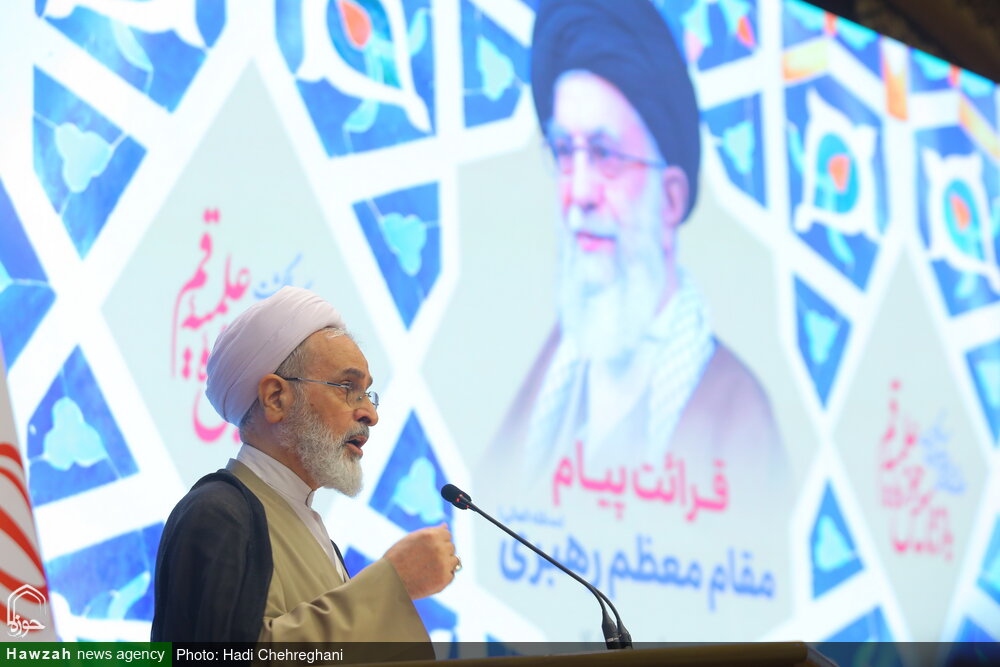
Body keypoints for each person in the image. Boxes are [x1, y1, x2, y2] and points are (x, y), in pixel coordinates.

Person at [474, 0, 791, 641]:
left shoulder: (737, 412)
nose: (579, 192)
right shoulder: (552, 370)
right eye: (565, 153)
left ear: (671, 196)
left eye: (606, 155)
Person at [152, 287, 458, 649]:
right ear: (275, 398)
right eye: (347, 387)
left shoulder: (310, 527)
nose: (370, 414)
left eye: (367, 394)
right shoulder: (218, 513)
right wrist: (392, 583)